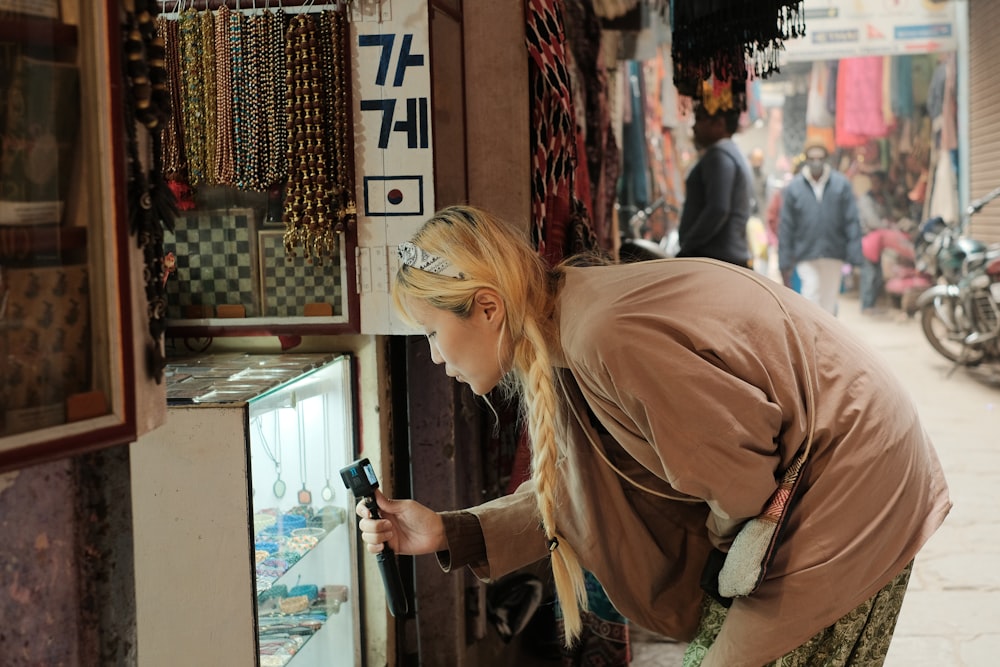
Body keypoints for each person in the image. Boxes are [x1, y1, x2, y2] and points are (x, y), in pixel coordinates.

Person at [358, 204, 951, 667]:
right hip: (813, 481)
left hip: (848, 476)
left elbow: (739, 483)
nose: (434, 357)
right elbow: (575, 494)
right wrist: (449, 531)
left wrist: (719, 546)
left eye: (432, 333)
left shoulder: (600, 335)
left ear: (486, 308)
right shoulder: (566, 322)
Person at [778, 138, 863, 315]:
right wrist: (784, 260)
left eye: (820, 157)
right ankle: (813, 341)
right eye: (812, 157)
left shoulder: (841, 185)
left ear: (826, 158)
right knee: (810, 298)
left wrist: (855, 254)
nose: (816, 162)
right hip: (805, 253)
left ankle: (826, 341)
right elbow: (786, 225)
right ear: (806, 159)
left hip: (833, 253)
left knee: (829, 302)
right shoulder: (794, 188)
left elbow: (851, 220)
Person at [675, 104, 753, 268]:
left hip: (717, 259)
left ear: (719, 124)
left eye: (700, 120)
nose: (694, 127)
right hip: (725, 258)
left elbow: (718, 209)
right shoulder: (732, 153)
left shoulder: (719, 156)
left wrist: (688, 247)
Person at [857, 170, 894, 313]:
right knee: (869, 273)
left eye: (879, 182)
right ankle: (866, 305)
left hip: (879, 242)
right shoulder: (866, 199)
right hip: (868, 241)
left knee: (877, 275)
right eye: (874, 182)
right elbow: (872, 221)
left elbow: (889, 215)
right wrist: (886, 225)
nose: (876, 185)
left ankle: (871, 304)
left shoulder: (884, 198)